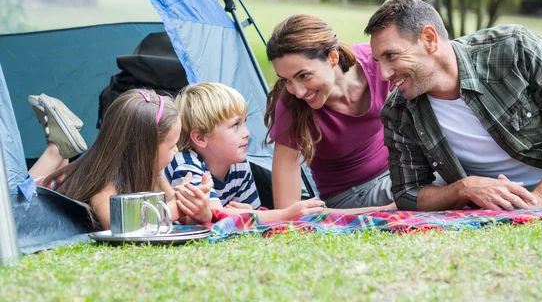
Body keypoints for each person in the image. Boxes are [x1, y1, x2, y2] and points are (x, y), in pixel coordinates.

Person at [365, 0, 542, 211]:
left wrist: (541, 200)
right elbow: (408, 193)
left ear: (429, 39)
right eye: (378, 61)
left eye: (391, 56)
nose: (384, 75)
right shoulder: (399, 111)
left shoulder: (513, 49)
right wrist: (462, 188)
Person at [31, 90, 213, 229]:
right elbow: (117, 223)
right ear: (146, 149)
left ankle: (61, 147)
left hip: (62, 182)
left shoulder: (153, 172)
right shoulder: (104, 181)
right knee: (19, 195)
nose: (177, 149)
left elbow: (182, 215)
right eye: (172, 144)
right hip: (34, 203)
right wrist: (174, 209)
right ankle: (57, 149)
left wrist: (198, 210)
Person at [264, 14, 394, 209]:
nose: (298, 92)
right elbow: (287, 208)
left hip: (398, 172)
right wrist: (386, 210)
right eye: (287, 80)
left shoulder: (376, 63)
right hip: (352, 196)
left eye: (304, 75)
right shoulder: (291, 106)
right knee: (436, 190)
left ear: (332, 57)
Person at [165, 82, 325, 221]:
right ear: (201, 138)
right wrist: (285, 214)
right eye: (235, 125)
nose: (247, 133)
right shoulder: (185, 165)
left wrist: (247, 211)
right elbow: (214, 214)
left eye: (244, 123)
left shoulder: (238, 164)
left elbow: (247, 212)